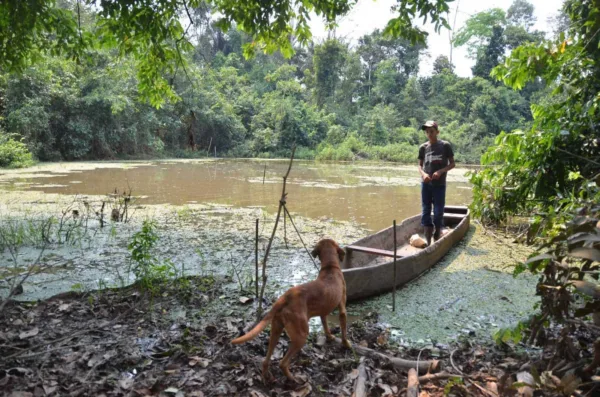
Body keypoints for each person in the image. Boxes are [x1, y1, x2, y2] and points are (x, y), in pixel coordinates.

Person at [417, 120, 455, 246]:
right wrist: (424, 174)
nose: (429, 134)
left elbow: (452, 164)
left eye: (431, 131)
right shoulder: (423, 147)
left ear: (437, 132)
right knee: (426, 210)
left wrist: (440, 172)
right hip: (426, 184)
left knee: (438, 211)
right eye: (427, 132)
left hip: (439, 185)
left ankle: (437, 232)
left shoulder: (445, 146)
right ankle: (428, 242)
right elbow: (419, 166)